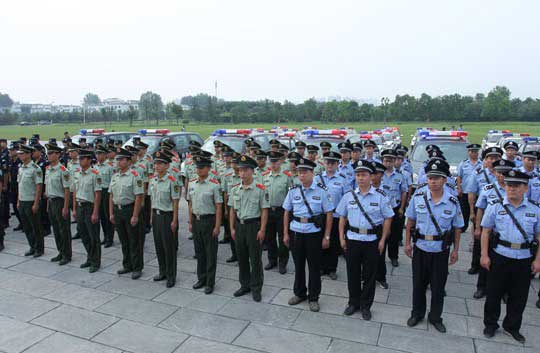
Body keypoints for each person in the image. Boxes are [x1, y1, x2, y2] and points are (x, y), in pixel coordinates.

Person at [480, 170, 540, 343]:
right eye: (509, 185)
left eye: (516, 186)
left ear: (525, 188)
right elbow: (486, 231)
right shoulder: (496, 206)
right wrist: (484, 255)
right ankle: (490, 324)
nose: (511, 189)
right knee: (493, 293)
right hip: (500, 256)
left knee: (519, 295)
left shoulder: (534, 209)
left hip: (523, 258)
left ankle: (512, 326)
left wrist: (537, 260)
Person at [405, 159, 463, 333]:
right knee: (418, 285)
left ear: (445, 180)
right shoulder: (418, 196)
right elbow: (410, 221)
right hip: (421, 248)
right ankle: (417, 313)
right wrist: (407, 243)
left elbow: (457, 227)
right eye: (430, 177)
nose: (433, 181)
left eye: (437, 178)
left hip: (440, 250)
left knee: (438, 287)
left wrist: (456, 250)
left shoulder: (452, 201)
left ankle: (436, 317)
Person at [337, 160, 393, 319]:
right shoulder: (349, 196)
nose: (360, 178)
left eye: (364, 175)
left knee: (370, 275)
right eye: (358, 175)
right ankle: (353, 302)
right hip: (353, 239)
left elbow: (388, 217)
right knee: (352, 273)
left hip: (371, 240)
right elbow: (342, 217)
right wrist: (341, 238)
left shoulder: (380, 196)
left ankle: (366, 305)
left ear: (371, 177)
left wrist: (383, 240)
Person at [283, 158, 333, 312]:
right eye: (299, 172)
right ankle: (299, 293)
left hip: (313, 234)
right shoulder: (293, 191)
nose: (301, 175)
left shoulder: (322, 191)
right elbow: (286, 212)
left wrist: (327, 236)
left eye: (305, 172)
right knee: (298, 266)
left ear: (312, 173)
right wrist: (285, 233)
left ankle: (313, 297)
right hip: (296, 232)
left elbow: (329, 213)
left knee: (314, 267)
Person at [228, 155, 269, 302]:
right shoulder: (235, 190)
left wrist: (262, 230)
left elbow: (264, 210)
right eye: (240, 170)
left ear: (252, 171)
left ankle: (256, 288)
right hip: (239, 226)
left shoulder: (260, 189)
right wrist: (232, 228)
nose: (242, 173)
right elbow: (232, 210)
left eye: (246, 170)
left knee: (255, 259)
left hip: (253, 226)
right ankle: (244, 285)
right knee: (242, 257)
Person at [464, 146, 502, 287]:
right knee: (479, 241)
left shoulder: (508, 177)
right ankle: (476, 265)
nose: (493, 160)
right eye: (490, 158)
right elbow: (472, 193)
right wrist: (472, 212)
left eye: (496, 158)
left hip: (501, 216)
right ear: (485, 160)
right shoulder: (478, 174)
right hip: (483, 211)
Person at [109, 148, 144, 279]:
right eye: (117, 159)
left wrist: (135, 215)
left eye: (121, 159)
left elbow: (139, 197)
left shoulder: (135, 176)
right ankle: (127, 264)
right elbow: (111, 195)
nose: (118, 162)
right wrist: (111, 213)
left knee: (134, 240)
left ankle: (137, 267)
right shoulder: (115, 176)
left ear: (129, 161)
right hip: (118, 210)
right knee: (123, 240)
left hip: (130, 210)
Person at [188, 155, 222, 293]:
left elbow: (219, 206)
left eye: (201, 168)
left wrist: (217, 226)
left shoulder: (214, 185)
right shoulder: (192, 183)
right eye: (197, 167)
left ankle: (210, 282)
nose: (199, 170)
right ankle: (201, 278)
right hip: (196, 220)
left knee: (210, 253)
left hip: (209, 221)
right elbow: (190, 203)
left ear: (208, 168)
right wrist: (190, 221)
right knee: (199, 252)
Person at [150, 151, 180, 288]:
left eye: (160, 163)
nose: (157, 166)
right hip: (156, 216)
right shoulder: (153, 180)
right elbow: (152, 200)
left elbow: (175, 201)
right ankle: (162, 271)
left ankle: (171, 275)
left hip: (167, 216)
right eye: (155, 163)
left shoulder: (172, 181)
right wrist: (151, 217)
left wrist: (174, 220)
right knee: (159, 246)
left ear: (167, 165)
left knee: (169, 247)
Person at [262, 151, 293, 274]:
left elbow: (290, 196)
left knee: (282, 238)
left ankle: (283, 263)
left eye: (275, 161)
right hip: (269, 211)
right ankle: (272, 260)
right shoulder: (265, 176)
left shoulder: (287, 176)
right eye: (271, 161)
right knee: (270, 238)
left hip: (281, 211)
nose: (273, 164)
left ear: (280, 161)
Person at [318, 151, 348, 280]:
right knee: (320, 241)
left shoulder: (342, 179)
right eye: (327, 162)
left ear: (337, 164)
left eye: (333, 163)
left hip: (336, 216)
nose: (330, 165)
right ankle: (321, 267)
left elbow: (346, 198)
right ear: (324, 163)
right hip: (320, 216)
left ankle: (331, 269)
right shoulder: (317, 178)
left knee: (334, 243)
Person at [72, 149, 102, 273]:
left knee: (93, 235)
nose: (80, 161)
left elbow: (98, 194)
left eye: (83, 159)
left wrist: (95, 212)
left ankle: (96, 261)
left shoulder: (95, 174)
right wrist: (73, 209)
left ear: (89, 160)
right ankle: (89, 257)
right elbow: (75, 191)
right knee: (83, 234)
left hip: (89, 207)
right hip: (79, 206)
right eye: (80, 159)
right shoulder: (77, 173)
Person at [44, 143, 72, 265]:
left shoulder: (63, 171)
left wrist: (66, 207)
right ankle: (60, 251)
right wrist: (47, 205)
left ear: (58, 155)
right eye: (48, 153)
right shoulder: (48, 169)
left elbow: (67, 190)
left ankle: (67, 254)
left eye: (51, 153)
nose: (48, 156)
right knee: (55, 229)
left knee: (63, 229)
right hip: (51, 202)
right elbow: (47, 188)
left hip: (60, 202)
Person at [380, 149, 407, 267]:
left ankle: (393, 256)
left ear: (394, 161)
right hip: (381, 209)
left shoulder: (400, 176)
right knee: (381, 233)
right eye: (386, 161)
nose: (388, 163)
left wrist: (402, 208)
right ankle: (380, 255)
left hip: (395, 207)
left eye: (390, 161)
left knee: (394, 235)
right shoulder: (378, 175)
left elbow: (404, 192)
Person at [456, 144, 482, 268]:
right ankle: (458, 237)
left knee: (476, 219)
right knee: (464, 217)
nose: (473, 153)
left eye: (475, 151)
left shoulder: (481, 164)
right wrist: (459, 188)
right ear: (468, 152)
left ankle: (473, 240)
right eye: (471, 151)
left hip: (478, 196)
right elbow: (459, 177)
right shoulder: (463, 164)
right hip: (465, 194)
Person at [17, 144, 44, 257]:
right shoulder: (21, 168)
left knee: (36, 227)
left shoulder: (35, 169)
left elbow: (39, 187)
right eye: (19, 154)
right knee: (27, 227)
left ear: (29, 154)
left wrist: (36, 203)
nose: (20, 155)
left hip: (31, 201)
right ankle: (32, 246)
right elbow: (20, 185)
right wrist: (18, 200)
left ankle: (39, 248)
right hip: (22, 201)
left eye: (22, 153)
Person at [94, 145, 114, 247]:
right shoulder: (95, 167)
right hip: (98, 192)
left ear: (105, 155)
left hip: (107, 192)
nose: (98, 156)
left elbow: (113, 182)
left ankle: (110, 238)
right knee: (101, 216)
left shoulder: (110, 167)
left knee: (107, 216)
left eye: (100, 153)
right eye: (97, 153)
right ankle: (105, 236)